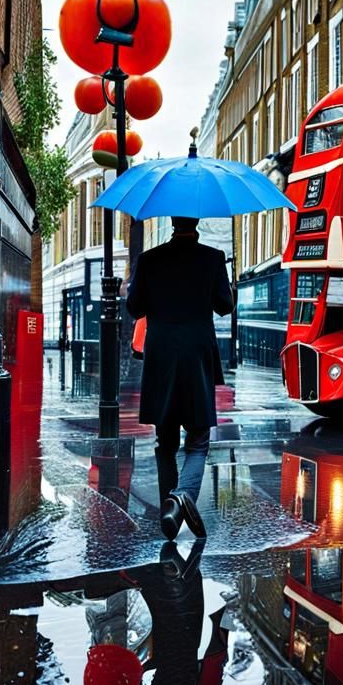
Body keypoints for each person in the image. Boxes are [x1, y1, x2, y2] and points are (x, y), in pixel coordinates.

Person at [127, 216, 234, 539]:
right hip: (197, 356)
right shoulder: (213, 258)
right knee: (198, 440)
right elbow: (225, 306)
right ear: (197, 223)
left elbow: (134, 307)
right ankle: (183, 495)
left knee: (165, 442)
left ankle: (169, 512)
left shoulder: (149, 260)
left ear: (172, 224)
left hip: (161, 357)